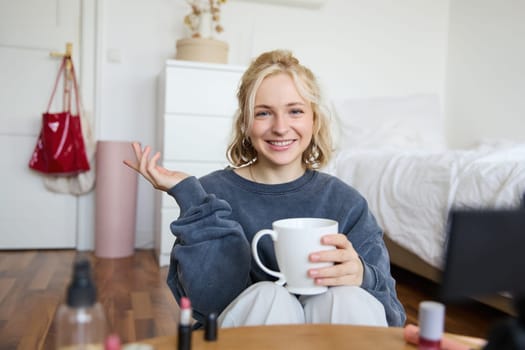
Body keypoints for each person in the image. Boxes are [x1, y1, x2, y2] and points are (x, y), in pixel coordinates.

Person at [124, 49, 406, 328]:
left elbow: (392, 315)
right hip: (245, 335)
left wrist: (363, 276)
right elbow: (207, 303)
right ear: (245, 123)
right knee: (269, 296)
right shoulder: (211, 194)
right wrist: (189, 194)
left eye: (295, 111)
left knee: (344, 298)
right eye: (263, 113)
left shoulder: (346, 202)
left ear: (314, 120)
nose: (281, 127)